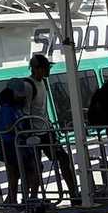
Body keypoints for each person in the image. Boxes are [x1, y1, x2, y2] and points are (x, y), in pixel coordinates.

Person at [23, 53, 78, 201]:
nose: (48, 71)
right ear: (36, 69)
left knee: (64, 159)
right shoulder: (28, 86)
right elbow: (25, 112)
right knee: (36, 166)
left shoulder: (43, 82)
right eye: (45, 68)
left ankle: (74, 194)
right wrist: (29, 134)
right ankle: (33, 198)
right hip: (34, 133)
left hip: (46, 130)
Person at [0, 87, 27, 204]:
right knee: (14, 173)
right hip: (10, 144)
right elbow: (8, 127)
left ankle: (12, 198)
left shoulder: (11, 109)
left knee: (15, 173)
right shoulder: (9, 109)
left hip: (11, 143)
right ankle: (12, 198)